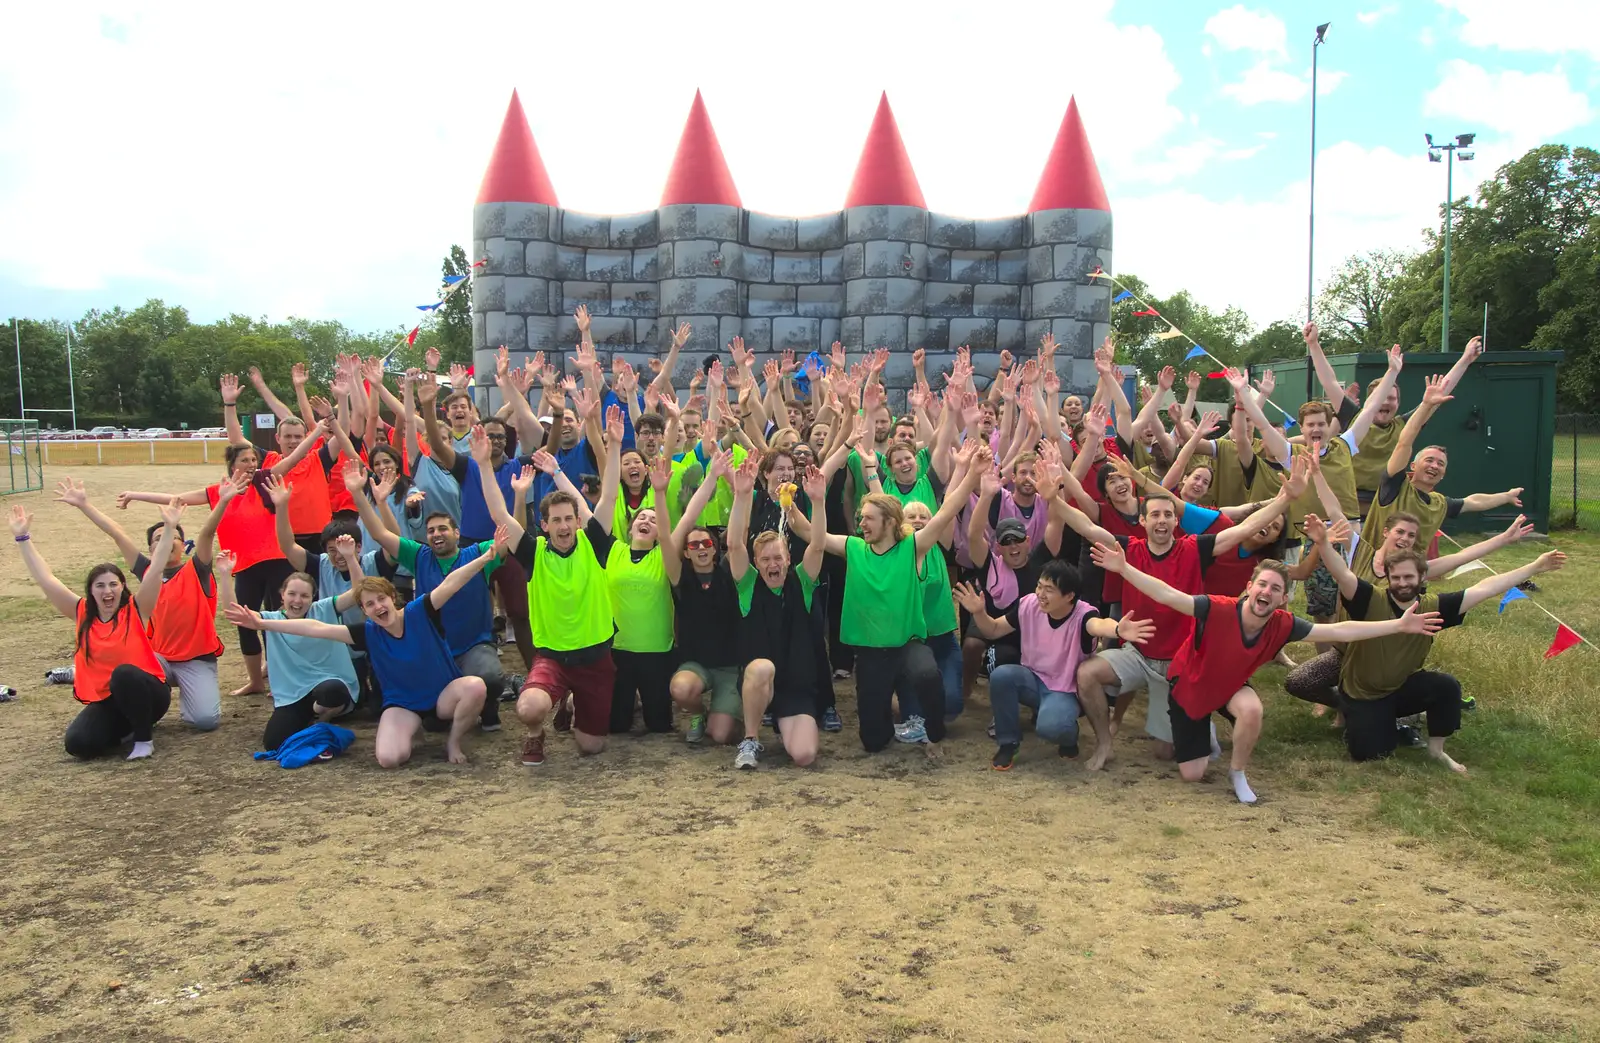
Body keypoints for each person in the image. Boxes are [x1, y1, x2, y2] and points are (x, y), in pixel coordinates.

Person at [1093, 536, 1444, 803]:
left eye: (1275, 589)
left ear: (1282, 600)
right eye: (1262, 584)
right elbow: (1169, 595)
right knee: (1191, 774)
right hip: (1190, 685)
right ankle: (1207, 737)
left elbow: (1338, 630)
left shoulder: (1283, 624)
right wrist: (1124, 568)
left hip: (1229, 685)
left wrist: (1397, 626)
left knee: (1252, 708)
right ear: (1249, 589)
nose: (1267, 591)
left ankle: (1238, 773)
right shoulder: (1215, 608)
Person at [1058, 456, 1310, 762]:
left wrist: (1286, 499)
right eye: (1155, 515)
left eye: (1167, 514)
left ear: (1176, 521)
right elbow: (1086, 526)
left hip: (1178, 663)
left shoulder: (1194, 548)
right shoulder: (1128, 549)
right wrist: (1051, 497)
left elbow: (1243, 530)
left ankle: (1199, 728)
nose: (1162, 520)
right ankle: (1104, 743)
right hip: (1136, 655)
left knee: (1165, 753)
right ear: (1143, 520)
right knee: (1087, 673)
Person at [225, 526, 508, 767]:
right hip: (404, 705)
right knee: (389, 759)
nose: (377, 607)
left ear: (392, 598)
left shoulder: (419, 611)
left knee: (475, 686)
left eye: (381, 600)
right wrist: (263, 624)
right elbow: (316, 628)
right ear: (364, 610)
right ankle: (413, 730)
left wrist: (485, 557)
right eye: (369, 604)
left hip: (442, 696)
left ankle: (453, 742)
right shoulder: (368, 632)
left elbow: (452, 582)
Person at [1299, 514, 1566, 768]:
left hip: (1400, 688)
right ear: (1389, 579)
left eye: (1409, 577)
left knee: (1446, 686)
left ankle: (1436, 749)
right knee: (1370, 754)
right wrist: (1323, 543)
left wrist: (1535, 566)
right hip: (1363, 694)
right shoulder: (1370, 599)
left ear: (1421, 578)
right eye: (1397, 578)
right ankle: (1367, 722)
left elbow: (1486, 587)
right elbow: (1342, 575)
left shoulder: (1434, 607)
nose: (1403, 583)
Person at [823, 438, 987, 754]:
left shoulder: (914, 547)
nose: (861, 524)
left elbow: (947, 509)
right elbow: (818, 534)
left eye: (867, 519)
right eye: (861, 518)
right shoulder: (856, 547)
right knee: (873, 741)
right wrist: (802, 502)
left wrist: (971, 474)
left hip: (917, 641)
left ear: (887, 523)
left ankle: (933, 727)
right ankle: (888, 714)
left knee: (929, 677)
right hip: (873, 650)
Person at [498, 405, 629, 766]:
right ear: (544, 525)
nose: (563, 525)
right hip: (553, 657)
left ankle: (571, 704)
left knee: (590, 747)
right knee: (529, 707)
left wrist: (615, 446)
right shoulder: (533, 551)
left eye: (569, 518)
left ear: (577, 520)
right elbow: (500, 515)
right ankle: (534, 734)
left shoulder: (593, 543)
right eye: (555, 520)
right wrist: (480, 465)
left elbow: (610, 497)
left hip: (596, 657)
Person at [118, 440, 298, 696]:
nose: (251, 465)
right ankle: (255, 680)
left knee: (274, 621)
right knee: (244, 622)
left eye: (254, 460)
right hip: (244, 566)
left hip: (277, 562)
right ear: (232, 465)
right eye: (245, 460)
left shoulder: (264, 482)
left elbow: (293, 460)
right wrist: (136, 495)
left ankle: (281, 679)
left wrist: (320, 431)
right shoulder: (218, 492)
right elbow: (176, 500)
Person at [350, 440, 504, 731]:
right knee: (434, 723)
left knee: (490, 677)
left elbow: (509, 535)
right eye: (431, 530)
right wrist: (365, 496)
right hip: (435, 648)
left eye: (443, 528)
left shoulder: (479, 553)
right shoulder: (419, 555)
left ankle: (488, 706)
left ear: (457, 533)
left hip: (473, 645)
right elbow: (379, 534)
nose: (436, 534)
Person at [13, 499, 184, 760]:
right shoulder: (81, 612)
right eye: (100, 586)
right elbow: (46, 579)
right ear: (91, 592)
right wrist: (23, 538)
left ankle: (143, 739)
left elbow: (156, 567)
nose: (107, 591)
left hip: (150, 694)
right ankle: (126, 729)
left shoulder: (137, 609)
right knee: (78, 744)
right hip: (110, 699)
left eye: (113, 584)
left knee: (124, 674)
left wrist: (170, 528)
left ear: (123, 587)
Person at [56, 476, 228, 733]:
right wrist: (84, 505)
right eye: (157, 539)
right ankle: (95, 683)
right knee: (124, 670)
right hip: (155, 659)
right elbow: (117, 533)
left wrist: (222, 501)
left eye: (171, 537)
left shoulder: (197, 570)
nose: (165, 542)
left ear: (183, 545)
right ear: (151, 549)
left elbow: (207, 533)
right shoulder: (148, 573)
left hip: (196, 660)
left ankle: (187, 694)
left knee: (205, 722)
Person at [954, 561, 1148, 771]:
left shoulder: (1083, 614)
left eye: (1049, 590)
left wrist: (1118, 629)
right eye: (1039, 586)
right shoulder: (1028, 604)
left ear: (1069, 596)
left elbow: (1099, 625)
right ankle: (1008, 742)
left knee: (1051, 727)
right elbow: (992, 630)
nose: (1040, 594)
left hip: (1065, 689)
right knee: (1001, 676)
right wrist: (979, 612)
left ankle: (1069, 736)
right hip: (1033, 678)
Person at [603, 447, 724, 736]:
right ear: (630, 528)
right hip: (618, 653)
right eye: (641, 519)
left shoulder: (665, 557)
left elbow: (691, 512)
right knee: (616, 728)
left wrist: (712, 477)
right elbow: (598, 505)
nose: (647, 521)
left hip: (657, 654)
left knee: (658, 726)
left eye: (654, 520)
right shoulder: (612, 550)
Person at [725, 456, 829, 769]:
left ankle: (784, 724)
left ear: (788, 559)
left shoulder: (802, 580)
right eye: (766, 559)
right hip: (761, 676)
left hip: (796, 686)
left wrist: (819, 503)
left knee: (805, 755)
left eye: (778, 558)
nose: (773, 564)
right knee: (760, 669)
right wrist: (742, 497)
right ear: (757, 564)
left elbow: (819, 546)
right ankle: (752, 738)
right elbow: (733, 545)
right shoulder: (748, 585)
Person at [222, 551, 362, 751]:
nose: (298, 601)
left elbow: (358, 592)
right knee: (273, 743)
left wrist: (350, 558)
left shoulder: (324, 609)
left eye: (304, 595)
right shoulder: (268, 618)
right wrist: (226, 574)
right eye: (292, 594)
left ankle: (323, 716)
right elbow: (233, 613)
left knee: (331, 691)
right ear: (282, 595)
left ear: (312, 597)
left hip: (327, 685)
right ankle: (311, 721)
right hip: (294, 694)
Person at [665, 452, 742, 745]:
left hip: (728, 666)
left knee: (721, 735)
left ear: (715, 547)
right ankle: (697, 712)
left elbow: (739, 529)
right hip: (695, 664)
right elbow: (686, 520)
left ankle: (728, 711)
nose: (700, 547)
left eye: (707, 543)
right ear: (686, 551)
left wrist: (734, 484)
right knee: (682, 689)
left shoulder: (729, 571)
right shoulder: (679, 576)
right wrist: (710, 478)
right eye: (693, 544)